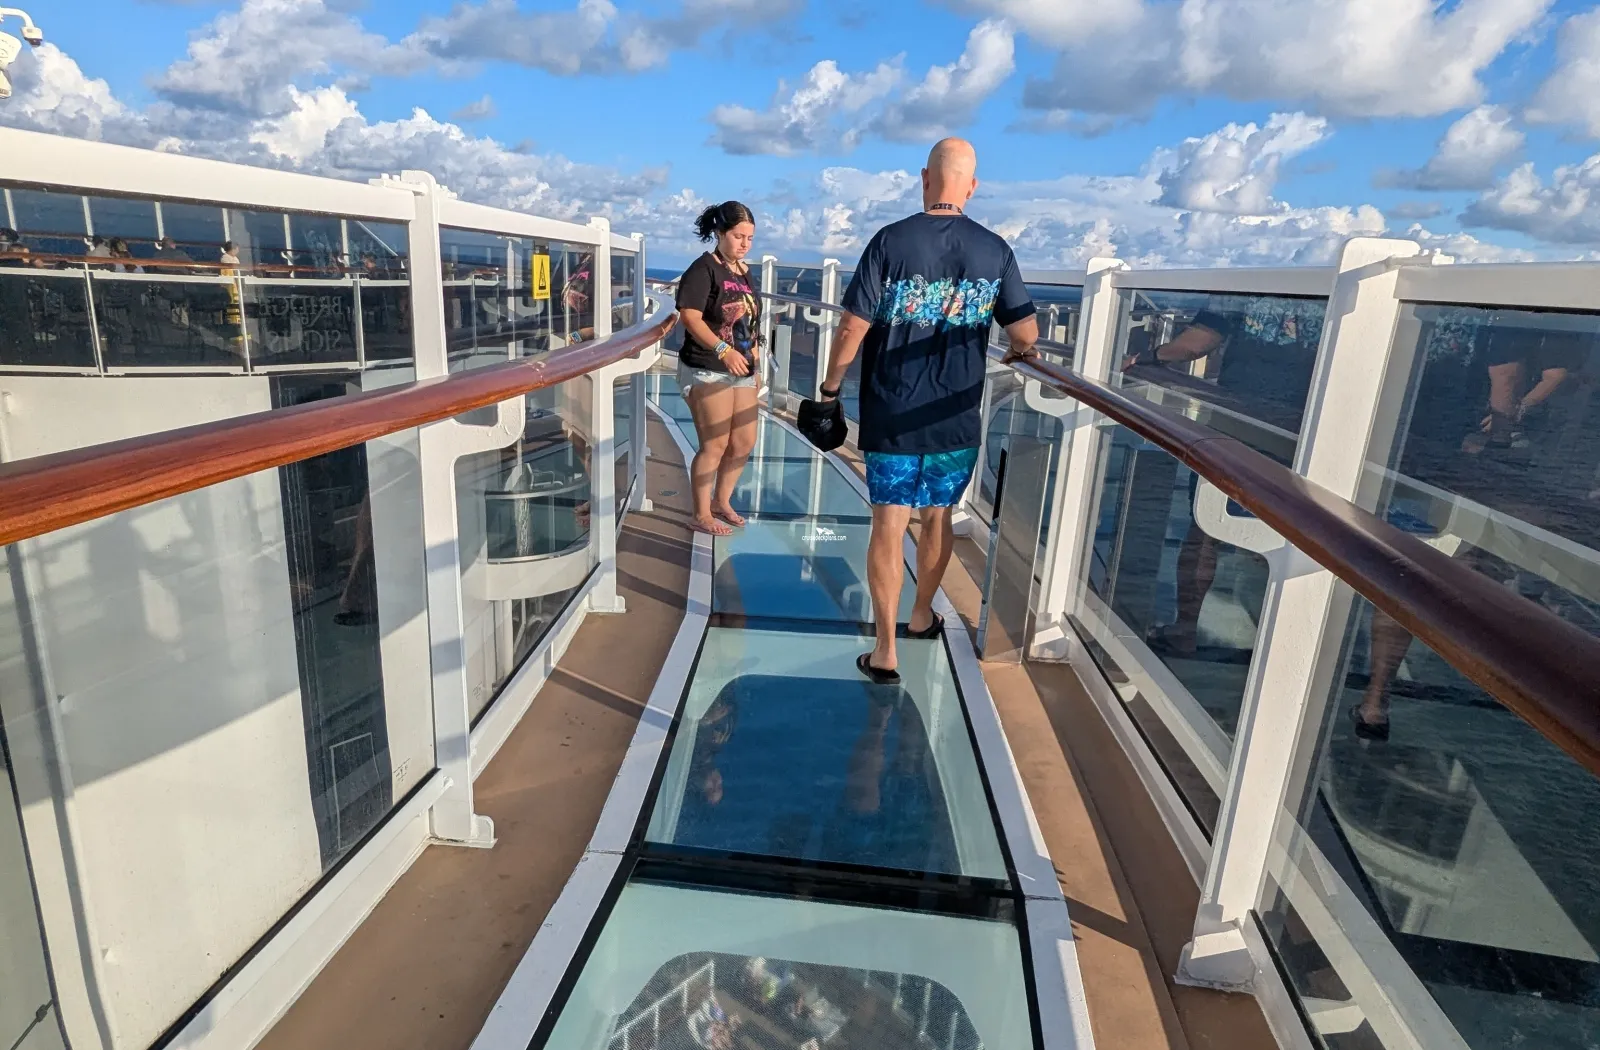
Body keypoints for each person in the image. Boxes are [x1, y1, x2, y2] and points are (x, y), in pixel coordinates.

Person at [821, 139, 1038, 683]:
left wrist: (829, 388)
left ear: (924, 178)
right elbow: (1025, 333)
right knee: (938, 516)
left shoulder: (890, 241)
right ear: (972, 186)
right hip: (953, 414)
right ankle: (921, 615)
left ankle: (885, 650)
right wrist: (1020, 350)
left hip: (891, 409)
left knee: (889, 524)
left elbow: (852, 326)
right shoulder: (995, 250)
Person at [675, 201, 762, 536]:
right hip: (708, 366)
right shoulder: (703, 269)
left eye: (750, 238)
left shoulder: (743, 271)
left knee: (743, 442)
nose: (745, 244)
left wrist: (755, 366)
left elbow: (750, 322)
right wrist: (723, 351)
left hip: (742, 369)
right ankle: (700, 514)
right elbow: (690, 316)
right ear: (720, 233)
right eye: (738, 236)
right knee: (715, 444)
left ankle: (720, 501)